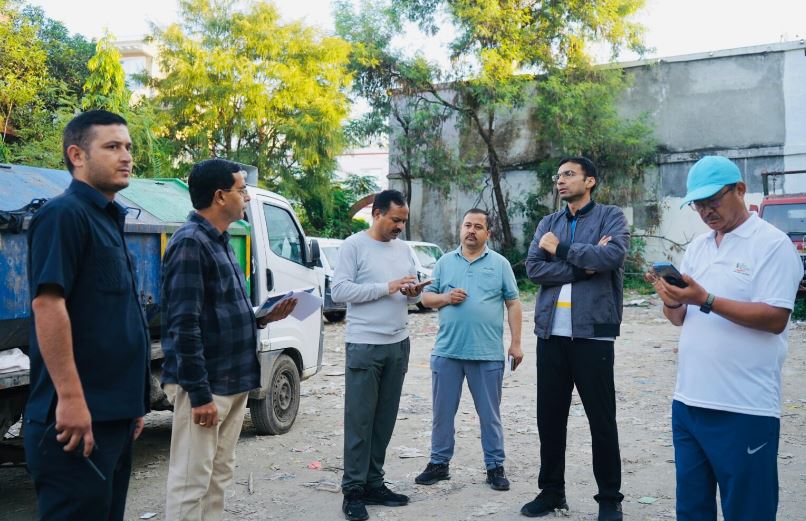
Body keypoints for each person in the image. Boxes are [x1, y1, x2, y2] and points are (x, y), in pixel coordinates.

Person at [646, 155, 802, 521]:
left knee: (748, 510)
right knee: (692, 510)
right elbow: (680, 318)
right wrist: (672, 301)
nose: (706, 211)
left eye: (713, 200)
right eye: (698, 204)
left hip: (744, 407)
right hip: (688, 403)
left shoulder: (772, 245)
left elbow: (775, 318)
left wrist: (706, 299)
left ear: (741, 190)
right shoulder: (698, 247)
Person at [23, 110, 150, 520]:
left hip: (111, 417)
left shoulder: (108, 218)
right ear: (77, 155)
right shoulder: (64, 215)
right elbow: (48, 305)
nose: (126, 156)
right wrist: (72, 399)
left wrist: (132, 404)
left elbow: (109, 319)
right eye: (112, 147)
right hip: (76, 423)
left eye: (128, 147)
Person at [161, 159, 296, 520]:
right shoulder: (190, 243)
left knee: (219, 476)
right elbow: (183, 325)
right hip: (207, 386)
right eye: (242, 189)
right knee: (191, 482)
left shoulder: (220, 241)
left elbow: (217, 312)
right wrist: (200, 395)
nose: (247, 197)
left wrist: (263, 316)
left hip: (233, 379)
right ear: (220, 196)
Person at [522, 156, 629, 521]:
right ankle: (552, 492)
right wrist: (583, 269)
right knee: (550, 419)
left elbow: (611, 255)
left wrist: (561, 249)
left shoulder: (611, 216)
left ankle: (610, 499)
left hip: (593, 334)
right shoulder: (548, 223)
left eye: (569, 174)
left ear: (590, 181)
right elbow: (533, 268)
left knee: (602, 420)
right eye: (558, 175)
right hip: (550, 334)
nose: (560, 180)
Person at [331, 189, 424, 521]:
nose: (400, 226)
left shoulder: (404, 249)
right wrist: (387, 286)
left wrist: (413, 292)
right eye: (395, 220)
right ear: (377, 214)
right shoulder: (353, 246)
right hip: (365, 345)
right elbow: (339, 291)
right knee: (360, 421)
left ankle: (374, 483)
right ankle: (353, 491)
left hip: (398, 344)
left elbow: (411, 296)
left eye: (403, 221)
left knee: (384, 421)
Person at [414, 208, 523, 491]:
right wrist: (446, 297)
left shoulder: (499, 264)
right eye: (467, 225)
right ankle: (439, 463)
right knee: (442, 414)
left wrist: (516, 343)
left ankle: (495, 467)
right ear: (460, 229)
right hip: (447, 352)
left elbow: (513, 303)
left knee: (490, 415)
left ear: (488, 233)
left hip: (486, 354)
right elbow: (426, 298)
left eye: (478, 226)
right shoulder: (445, 262)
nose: (471, 231)